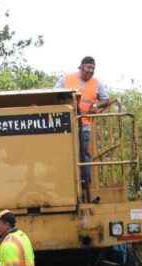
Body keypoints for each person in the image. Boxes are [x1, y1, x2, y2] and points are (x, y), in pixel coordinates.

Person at [55, 56, 113, 192]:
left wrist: (96, 106)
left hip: (85, 123)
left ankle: (85, 181)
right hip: (66, 122)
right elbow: (55, 93)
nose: (91, 71)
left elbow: (106, 99)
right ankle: (63, 180)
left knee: (83, 151)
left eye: (93, 68)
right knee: (65, 150)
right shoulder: (67, 78)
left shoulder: (96, 82)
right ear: (81, 67)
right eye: (89, 67)